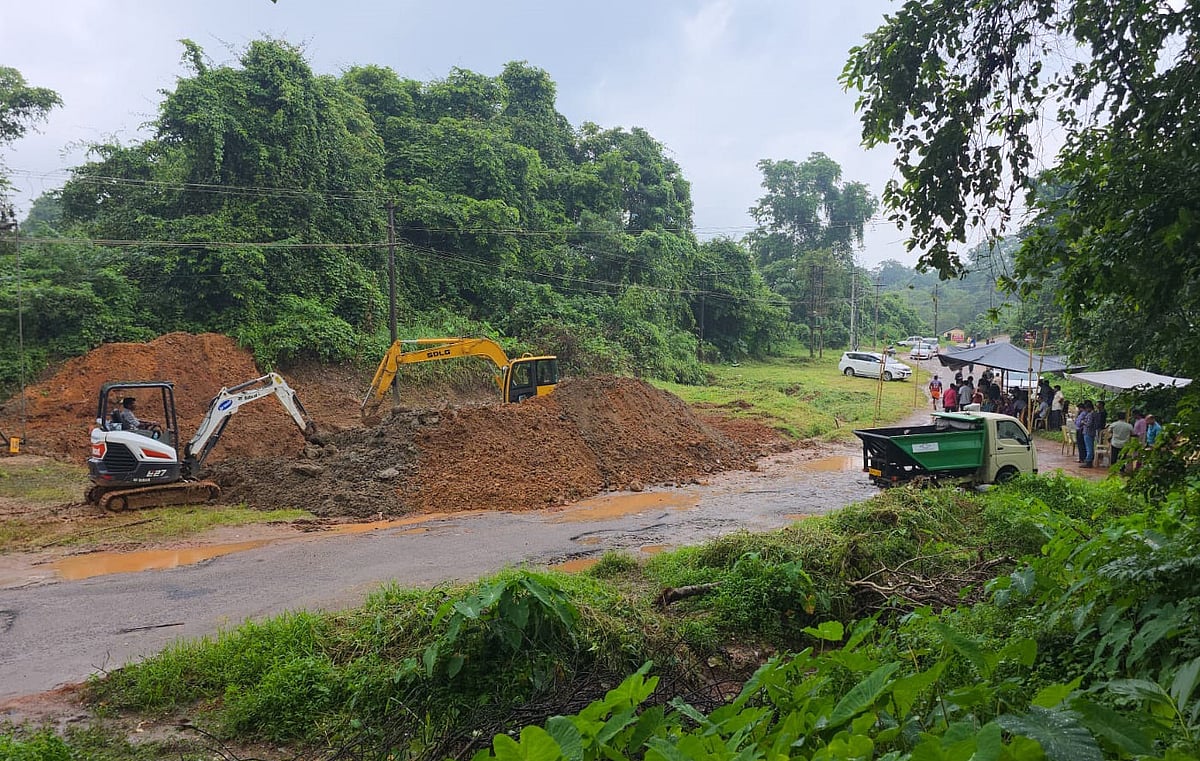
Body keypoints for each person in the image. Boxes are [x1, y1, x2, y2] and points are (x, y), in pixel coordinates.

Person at [1075, 401, 1094, 466]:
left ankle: (1087, 460)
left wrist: (1083, 422)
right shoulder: (1086, 414)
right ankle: (1085, 459)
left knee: (1087, 447)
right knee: (1086, 446)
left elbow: (1088, 424)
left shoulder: (1088, 414)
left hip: (1086, 431)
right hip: (1084, 431)